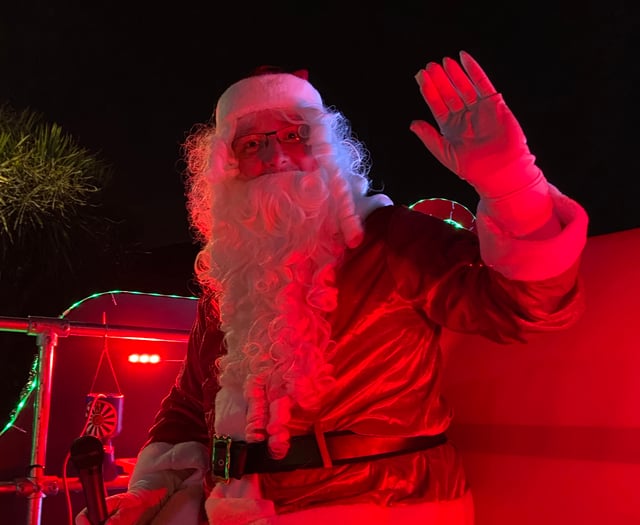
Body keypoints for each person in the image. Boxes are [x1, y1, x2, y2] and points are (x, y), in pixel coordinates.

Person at [76, 51, 588, 524]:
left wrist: (513, 186)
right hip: (239, 508)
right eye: (252, 143)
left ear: (327, 149)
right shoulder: (229, 275)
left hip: (379, 502)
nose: (275, 155)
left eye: (294, 135)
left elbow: (529, 308)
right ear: (226, 167)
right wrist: (154, 484)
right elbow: (190, 403)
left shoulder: (391, 239)